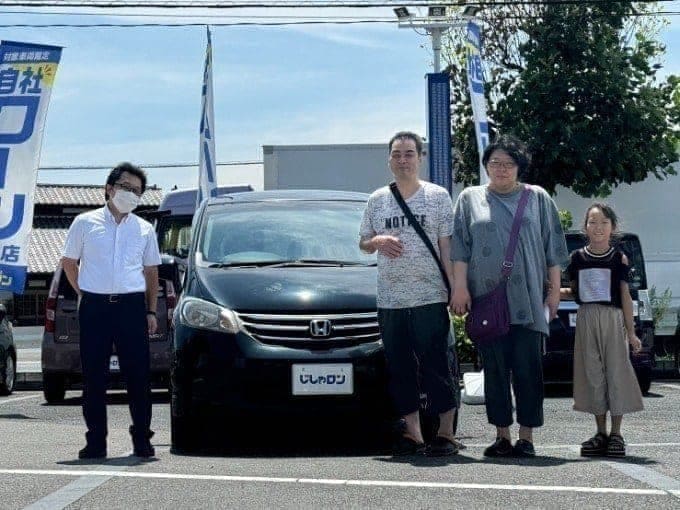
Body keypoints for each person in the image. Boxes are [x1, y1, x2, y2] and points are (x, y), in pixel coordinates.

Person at [451, 134, 568, 457]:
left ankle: (527, 437)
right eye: (494, 163)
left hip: (529, 299)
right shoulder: (469, 198)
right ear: (486, 166)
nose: (501, 169)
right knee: (496, 369)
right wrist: (460, 287)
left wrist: (554, 292)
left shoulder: (538, 198)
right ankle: (502, 435)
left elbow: (553, 248)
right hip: (488, 299)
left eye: (508, 163)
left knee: (529, 369)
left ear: (520, 167)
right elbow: (460, 247)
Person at [359, 131, 459, 457]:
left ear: (420, 157)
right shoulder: (376, 200)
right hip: (390, 299)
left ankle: (445, 433)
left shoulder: (438, 196)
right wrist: (376, 242)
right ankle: (413, 434)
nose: (403, 160)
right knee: (400, 366)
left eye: (409, 153)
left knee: (437, 364)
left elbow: (447, 245)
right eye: (397, 154)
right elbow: (363, 243)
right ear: (389, 159)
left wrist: (456, 288)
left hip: (430, 295)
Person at [61, 162, 162, 459]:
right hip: (94, 307)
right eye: (126, 187)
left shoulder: (144, 229)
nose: (131, 194)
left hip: (132, 306)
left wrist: (151, 311)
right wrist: (84, 292)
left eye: (137, 191)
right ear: (109, 187)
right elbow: (69, 262)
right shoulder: (84, 222)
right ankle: (95, 442)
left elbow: (151, 271)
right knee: (93, 376)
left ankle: (142, 439)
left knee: (138, 376)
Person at [561, 203, 643, 457]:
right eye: (593, 222)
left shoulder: (618, 258)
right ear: (585, 227)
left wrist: (630, 332)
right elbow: (574, 292)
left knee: (616, 371)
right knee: (593, 373)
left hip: (612, 317)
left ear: (613, 227)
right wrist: (547, 290)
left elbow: (625, 296)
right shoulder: (577, 258)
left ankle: (617, 432)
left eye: (604, 223)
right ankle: (600, 432)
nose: (598, 228)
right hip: (586, 317)